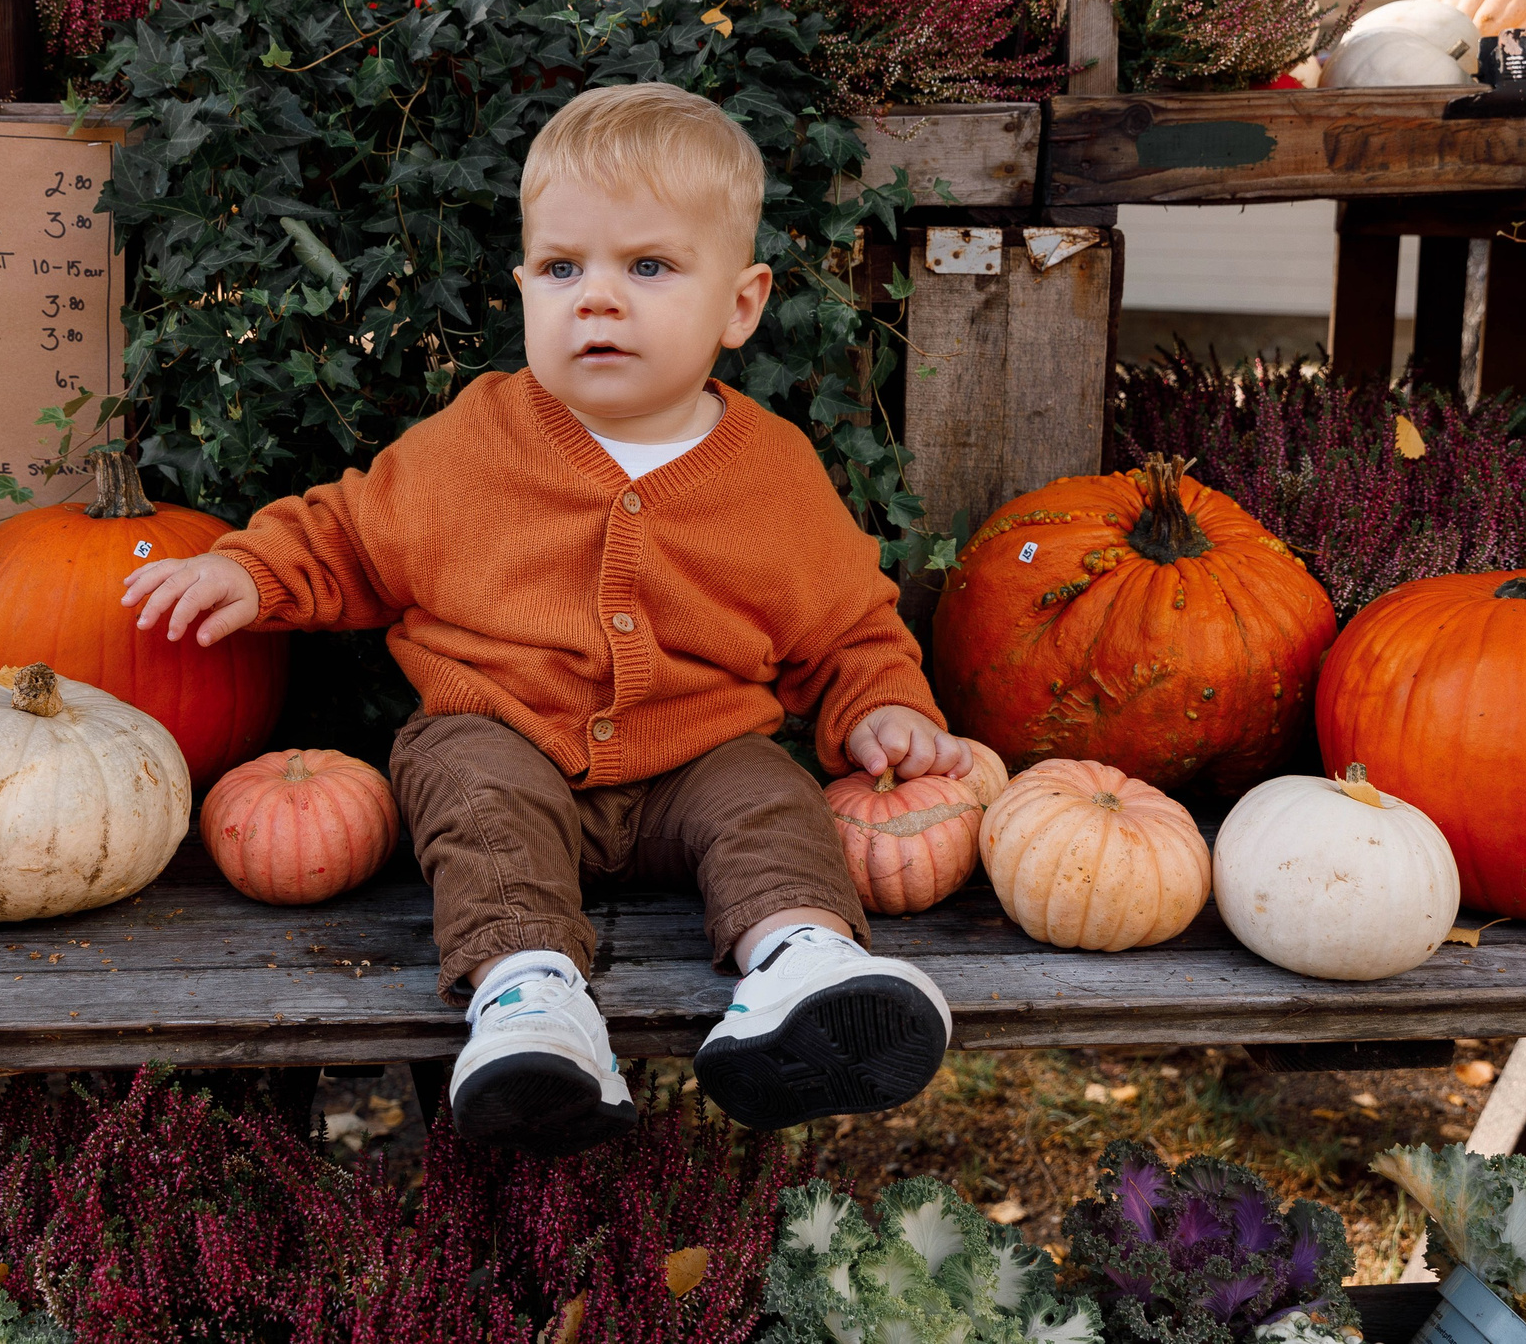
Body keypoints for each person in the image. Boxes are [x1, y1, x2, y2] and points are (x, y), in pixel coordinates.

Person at [124, 81, 962, 1155]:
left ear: (741, 304)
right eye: (563, 269)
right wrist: (251, 573)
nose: (597, 300)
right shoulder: (474, 440)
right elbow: (350, 534)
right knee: (469, 791)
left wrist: (881, 703)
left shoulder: (773, 474)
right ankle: (530, 1002)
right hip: (503, 735)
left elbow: (845, 622)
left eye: (647, 267)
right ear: (523, 287)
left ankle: (801, 967)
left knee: (769, 798)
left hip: (691, 760)